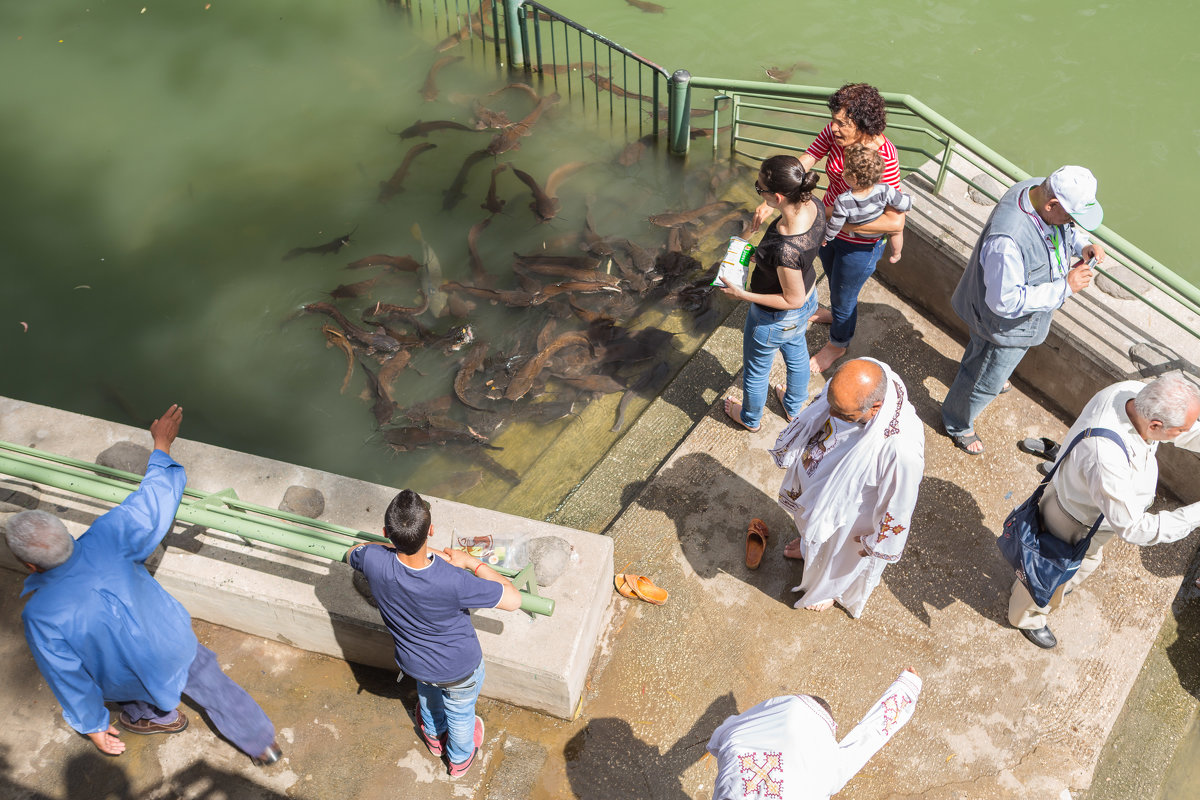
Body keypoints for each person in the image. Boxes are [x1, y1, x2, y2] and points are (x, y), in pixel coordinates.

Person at [6, 405, 281, 764]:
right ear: (65, 535)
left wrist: (93, 725)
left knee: (135, 699)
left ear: (29, 564)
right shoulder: (107, 538)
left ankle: (160, 717)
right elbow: (153, 503)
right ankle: (263, 745)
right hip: (174, 643)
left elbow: (68, 678)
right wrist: (162, 445)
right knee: (213, 684)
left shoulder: (41, 616)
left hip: (125, 678)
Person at [1009, 373, 1200, 649]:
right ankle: (1025, 616)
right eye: (1181, 430)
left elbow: (1186, 430)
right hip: (1074, 521)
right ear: (1157, 425)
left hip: (1084, 503)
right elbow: (1133, 528)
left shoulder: (1135, 394)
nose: (1185, 433)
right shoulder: (1106, 457)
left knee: (1074, 566)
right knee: (1046, 571)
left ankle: (1043, 589)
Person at [345, 490, 522, 777]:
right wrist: (470, 562)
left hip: (415, 664)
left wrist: (395, 544)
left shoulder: (374, 561)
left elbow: (356, 550)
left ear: (386, 533)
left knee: (427, 698)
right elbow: (513, 600)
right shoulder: (454, 580)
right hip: (460, 669)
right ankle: (459, 759)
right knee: (462, 714)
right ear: (431, 530)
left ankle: (434, 739)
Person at [941, 165, 1107, 455]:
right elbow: (1004, 301)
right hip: (1001, 327)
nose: (1071, 222)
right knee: (983, 381)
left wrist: (1081, 245)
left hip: (1002, 318)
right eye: (1070, 215)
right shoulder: (1007, 242)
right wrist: (1065, 286)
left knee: (982, 362)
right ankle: (957, 422)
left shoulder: (1035, 190)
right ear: (1052, 203)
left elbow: (1061, 229)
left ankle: (981, 374)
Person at [751, 83, 908, 375]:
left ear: (863, 124)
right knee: (833, 280)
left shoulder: (884, 157)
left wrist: (832, 215)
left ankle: (838, 343)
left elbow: (894, 221)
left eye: (842, 123)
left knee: (845, 295)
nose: (833, 128)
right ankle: (834, 314)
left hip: (860, 243)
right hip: (828, 229)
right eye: (833, 120)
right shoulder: (833, 134)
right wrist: (773, 195)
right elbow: (808, 157)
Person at [768, 358, 924, 617]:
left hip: (855, 514)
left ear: (875, 407)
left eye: (844, 414)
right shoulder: (862, 375)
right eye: (832, 406)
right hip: (825, 481)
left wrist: (875, 542)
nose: (830, 414)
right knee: (814, 533)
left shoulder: (901, 450)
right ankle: (809, 551)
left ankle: (831, 590)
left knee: (841, 555)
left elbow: (899, 503)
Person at [721, 154, 825, 431]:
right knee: (797, 351)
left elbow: (792, 299)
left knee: (756, 371)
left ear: (778, 197)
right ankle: (793, 407)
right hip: (810, 296)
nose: (758, 191)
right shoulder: (813, 203)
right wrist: (764, 258)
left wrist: (742, 295)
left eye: (760, 189)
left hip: (775, 317)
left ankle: (750, 418)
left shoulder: (786, 247)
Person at [706, 668, 922, 799]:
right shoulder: (830, 770)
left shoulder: (735, 742)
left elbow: (725, 733)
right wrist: (906, 689)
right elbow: (871, 734)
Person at [822, 144, 911, 262]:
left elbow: (835, 223)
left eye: (845, 169)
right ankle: (896, 254)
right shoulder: (885, 190)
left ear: (853, 178)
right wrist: (908, 204)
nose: (842, 172)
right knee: (896, 233)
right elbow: (902, 202)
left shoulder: (843, 200)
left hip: (856, 234)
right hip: (877, 234)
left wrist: (827, 237)